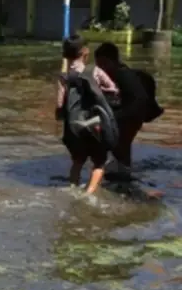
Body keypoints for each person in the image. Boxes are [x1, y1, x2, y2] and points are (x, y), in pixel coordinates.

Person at [56, 35, 119, 195]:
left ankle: (72, 188)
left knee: (78, 161)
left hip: (74, 125)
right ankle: (88, 194)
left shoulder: (63, 77)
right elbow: (113, 90)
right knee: (99, 162)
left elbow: (60, 105)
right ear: (85, 51)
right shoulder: (95, 71)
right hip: (94, 123)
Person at [93, 42, 148, 172]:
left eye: (102, 64)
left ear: (111, 61)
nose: (101, 68)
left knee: (119, 145)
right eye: (98, 65)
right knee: (122, 146)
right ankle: (123, 170)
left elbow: (138, 100)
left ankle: (121, 172)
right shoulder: (120, 72)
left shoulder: (123, 75)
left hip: (132, 114)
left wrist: (115, 117)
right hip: (133, 113)